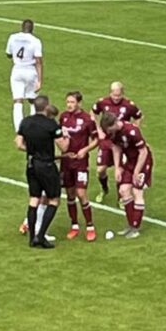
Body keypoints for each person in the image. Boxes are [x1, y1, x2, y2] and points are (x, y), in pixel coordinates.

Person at [15, 95, 70, 249]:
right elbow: (64, 147)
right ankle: (41, 236)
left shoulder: (25, 122)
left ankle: (32, 237)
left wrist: (32, 150)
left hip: (31, 164)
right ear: (46, 107)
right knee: (54, 199)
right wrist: (65, 136)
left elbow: (19, 144)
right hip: (46, 165)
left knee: (34, 199)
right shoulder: (51, 124)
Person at [100, 112, 152, 239]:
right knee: (123, 191)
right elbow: (116, 148)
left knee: (137, 191)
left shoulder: (132, 131)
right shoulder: (114, 133)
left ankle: (135, 227)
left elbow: (143, 152)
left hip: (143, 162)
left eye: (109, 129)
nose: (109, 133)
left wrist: (137, 172)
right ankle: (130, 225)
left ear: (114, 123)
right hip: (130, 162)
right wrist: (118, 167)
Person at [90, 82, 142, 204]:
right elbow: (93, 112)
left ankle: (121, 197)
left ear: (122, 93)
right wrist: (98, 130)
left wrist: (133, 130)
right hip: (107, 141)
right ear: (110, 93)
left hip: (122, 143)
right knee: (100, 170)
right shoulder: (103, 102)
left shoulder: (129, 105)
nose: (116, 98)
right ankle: (104, 189)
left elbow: (139, 116)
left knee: (120, 170)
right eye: (114, 95)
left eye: (118, 95)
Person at [59, 91, 98, 241]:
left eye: (72, 102)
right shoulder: (63, 117)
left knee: (81, 193)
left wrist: (85, 150)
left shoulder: (88, 120)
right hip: (66, 162)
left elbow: (96, 140)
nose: (69, 105)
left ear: (79, 103)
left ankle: (90, 226)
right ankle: (74, 225)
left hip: (81, 162)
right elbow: (58, 136)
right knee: (70, 194)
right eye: (67, 102)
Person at [6, 19, 43, 131]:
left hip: (17, 69)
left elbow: (8, 54)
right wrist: (40, 80)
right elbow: (38, 61)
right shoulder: (35, 41)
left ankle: (19, 129)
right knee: (32, 100)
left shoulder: (12, 37)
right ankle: (33, 126)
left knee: (18, 100)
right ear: (32, 29)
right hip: (30, 70)